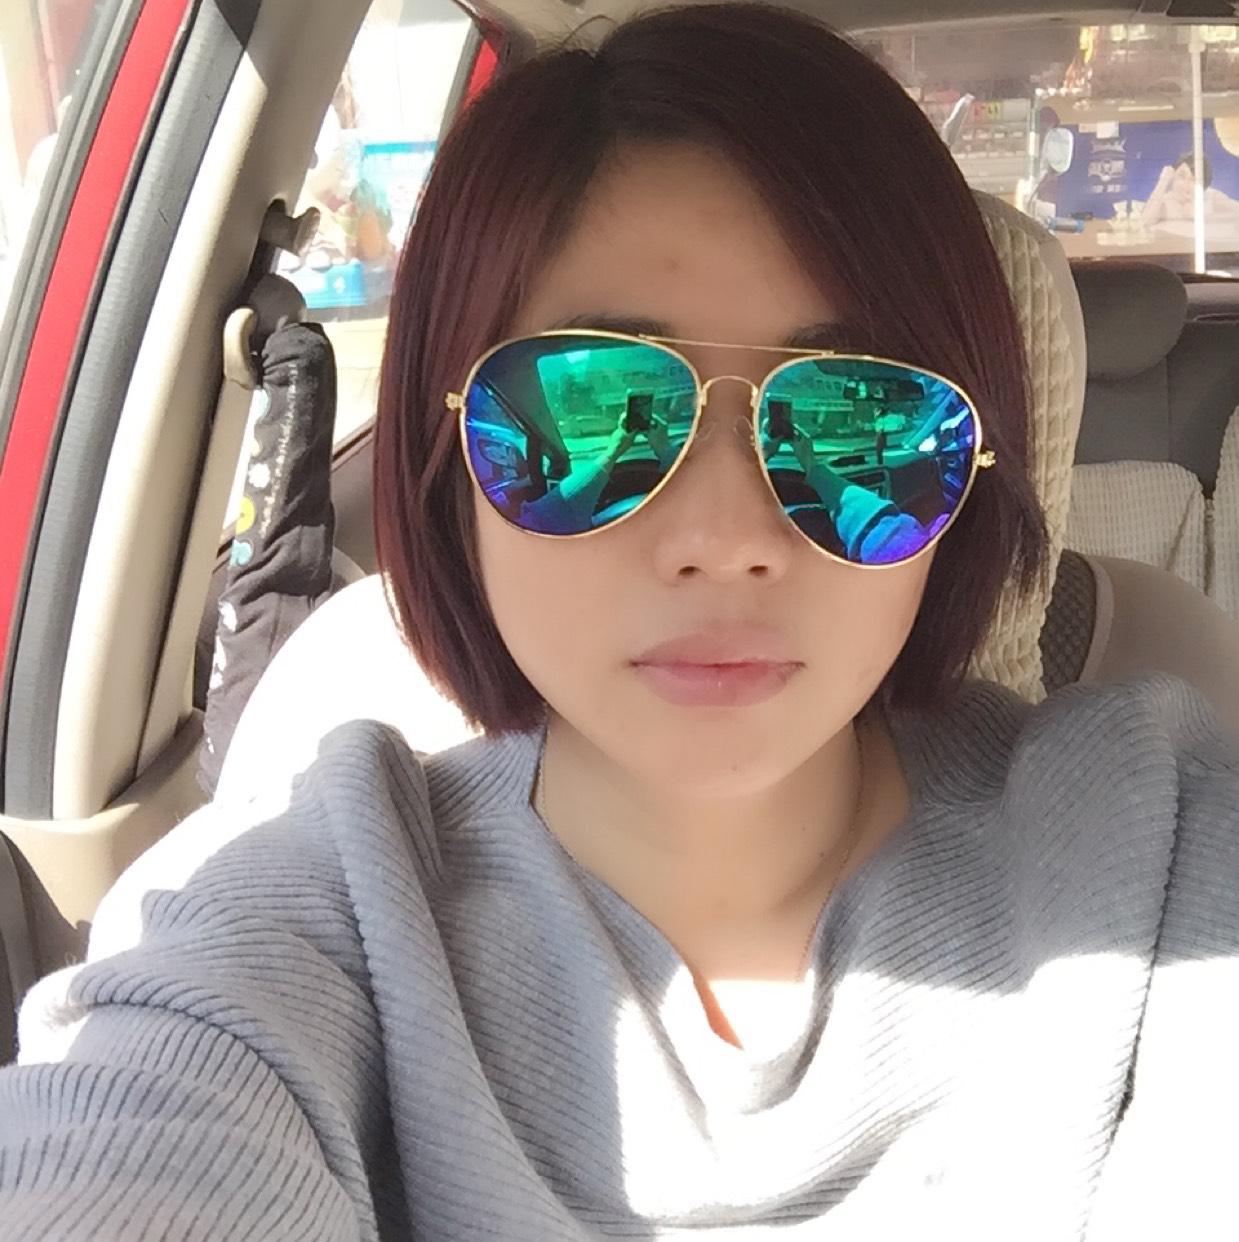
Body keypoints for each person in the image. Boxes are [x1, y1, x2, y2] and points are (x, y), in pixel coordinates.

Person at [2, 6, 1237, 1239]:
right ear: (452, 456)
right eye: (591, 409)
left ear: (964, 477)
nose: (726, 538)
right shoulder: (316, 907)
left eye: (859, 424)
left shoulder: (1156, 859)